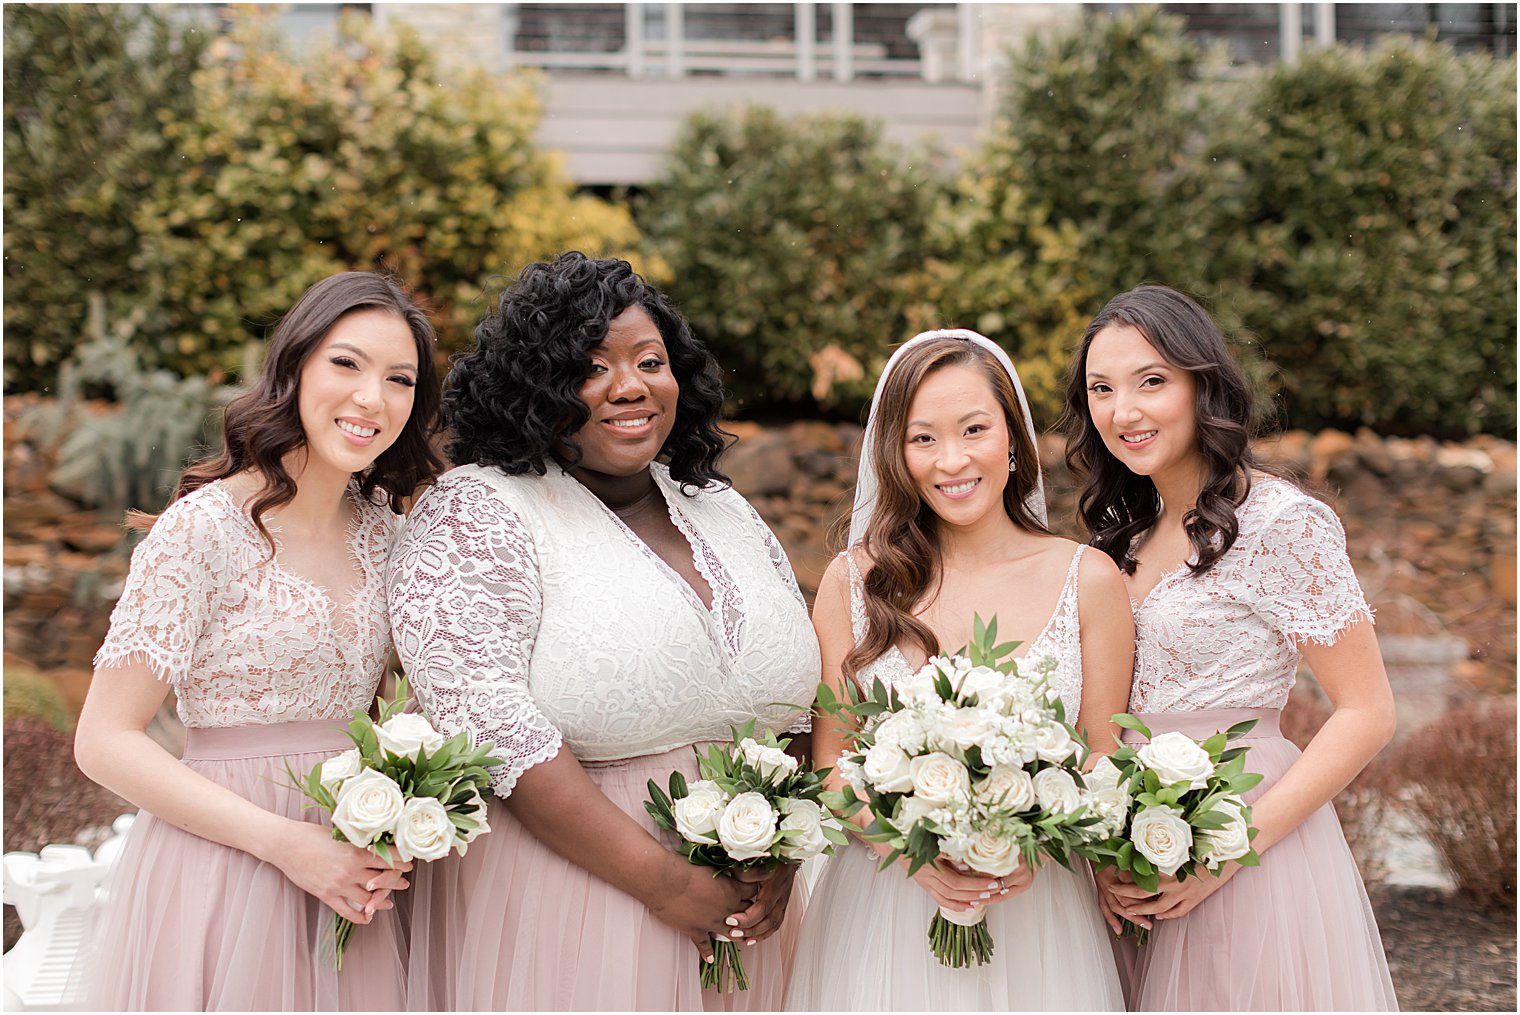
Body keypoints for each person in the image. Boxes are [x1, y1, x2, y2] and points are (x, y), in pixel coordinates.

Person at [388, 251, 818, 1011]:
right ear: (536, 388)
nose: (630, 385)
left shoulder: (718, 506)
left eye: (650, 361)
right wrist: (667, 883)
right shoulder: (477, 512)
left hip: (744, 906)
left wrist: (777, 848)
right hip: (581, 900)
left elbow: (794, 697)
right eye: (591, 368)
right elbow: (492, 725)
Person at [73, 271, 444, 1010]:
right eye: (347, 363)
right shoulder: (203, 529)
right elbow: (104, 739)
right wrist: (286, 844)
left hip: (354, 880)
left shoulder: (389, 533)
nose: (373, 397)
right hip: (226, 868)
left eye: (399, 379)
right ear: (296, 364)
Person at [1064, 284, 1399, 1010]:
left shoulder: (1281, 522)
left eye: (1152, 381)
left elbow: (1368, 711)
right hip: (1129, 852)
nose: (1124, 410)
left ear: (1201, 383)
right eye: (1102, 388)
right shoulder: (1116, 537)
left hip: (1248, 842)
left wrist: (1225, 850)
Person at [784, 330, 1131, 1011]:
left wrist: (1031, 839)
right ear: (896, 451)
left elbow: (1101, 759)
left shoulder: (1087, 579)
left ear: (1012, 437)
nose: (952, 460)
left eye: (974, 428)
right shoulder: (852, 583)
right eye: (923, 439)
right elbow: (829, 767)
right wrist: (914, 851)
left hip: (1038, 909)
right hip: (882, 907)